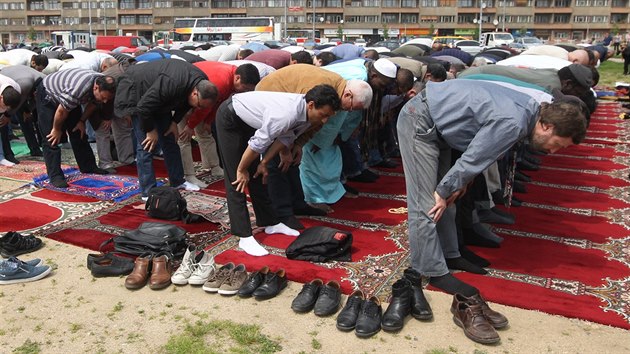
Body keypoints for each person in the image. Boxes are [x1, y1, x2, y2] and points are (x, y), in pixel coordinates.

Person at [396, 79, 587, 299]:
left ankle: (449, 254)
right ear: (547, 126)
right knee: (427, 204)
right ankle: (430, 269)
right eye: (557, 144)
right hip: (420, 121)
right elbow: (475, 156)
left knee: (447, 199)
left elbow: (482, 151)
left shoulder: (531, 112)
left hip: (438, 124)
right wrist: (444, 189)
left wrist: (457, 184)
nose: (553, 151)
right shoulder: (514, 122)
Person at [215, 84, 341, 257]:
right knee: (237, 179)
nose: (325, 120)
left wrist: (264, 162)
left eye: (329, 116)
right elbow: (257, 144)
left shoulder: (308, 115)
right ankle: (244, 235)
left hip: (250, 120)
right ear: (311, 104)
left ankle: (270, 222)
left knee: (258, 174)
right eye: (324, 115)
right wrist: (242, 169)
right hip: (231, 118)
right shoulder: (285, 114)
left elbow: (285, 137)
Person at [256, 64, 373, 229]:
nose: (350, 111)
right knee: (276, 162)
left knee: (293, 160)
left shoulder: (336, 93)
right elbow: (288, 121)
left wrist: (298, 144)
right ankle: (282, 214)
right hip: (270, 101)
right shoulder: (320, 89)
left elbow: (316, 123)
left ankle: (298, 204)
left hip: (289, 115)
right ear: (348, 95)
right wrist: (285, 148)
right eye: (352, 108)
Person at [114, 59, 218, 199]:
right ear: (195, 93)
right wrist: (150, 131)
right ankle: (148, 192)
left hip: (160, 99)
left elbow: (187, 104)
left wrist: (174, 122)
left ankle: (177, 181)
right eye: (199, 105)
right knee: (146, 145)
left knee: (170, 139)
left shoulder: (201, 82)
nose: (197, 109)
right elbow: (144, 108)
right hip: (137, 93)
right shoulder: (172, 84)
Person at [35, 68, 116, 187]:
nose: (104, 101)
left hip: (70, 98)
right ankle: (55, 175)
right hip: (49, 94)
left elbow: (94, 104)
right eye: (103, 98)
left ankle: (88, 166)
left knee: (78, 131)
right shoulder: (78, 89)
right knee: (51, 137)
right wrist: (57, 129)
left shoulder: (102, 85)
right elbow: (61, 112)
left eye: (107, 99)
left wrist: (81, 121)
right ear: (96, 88)